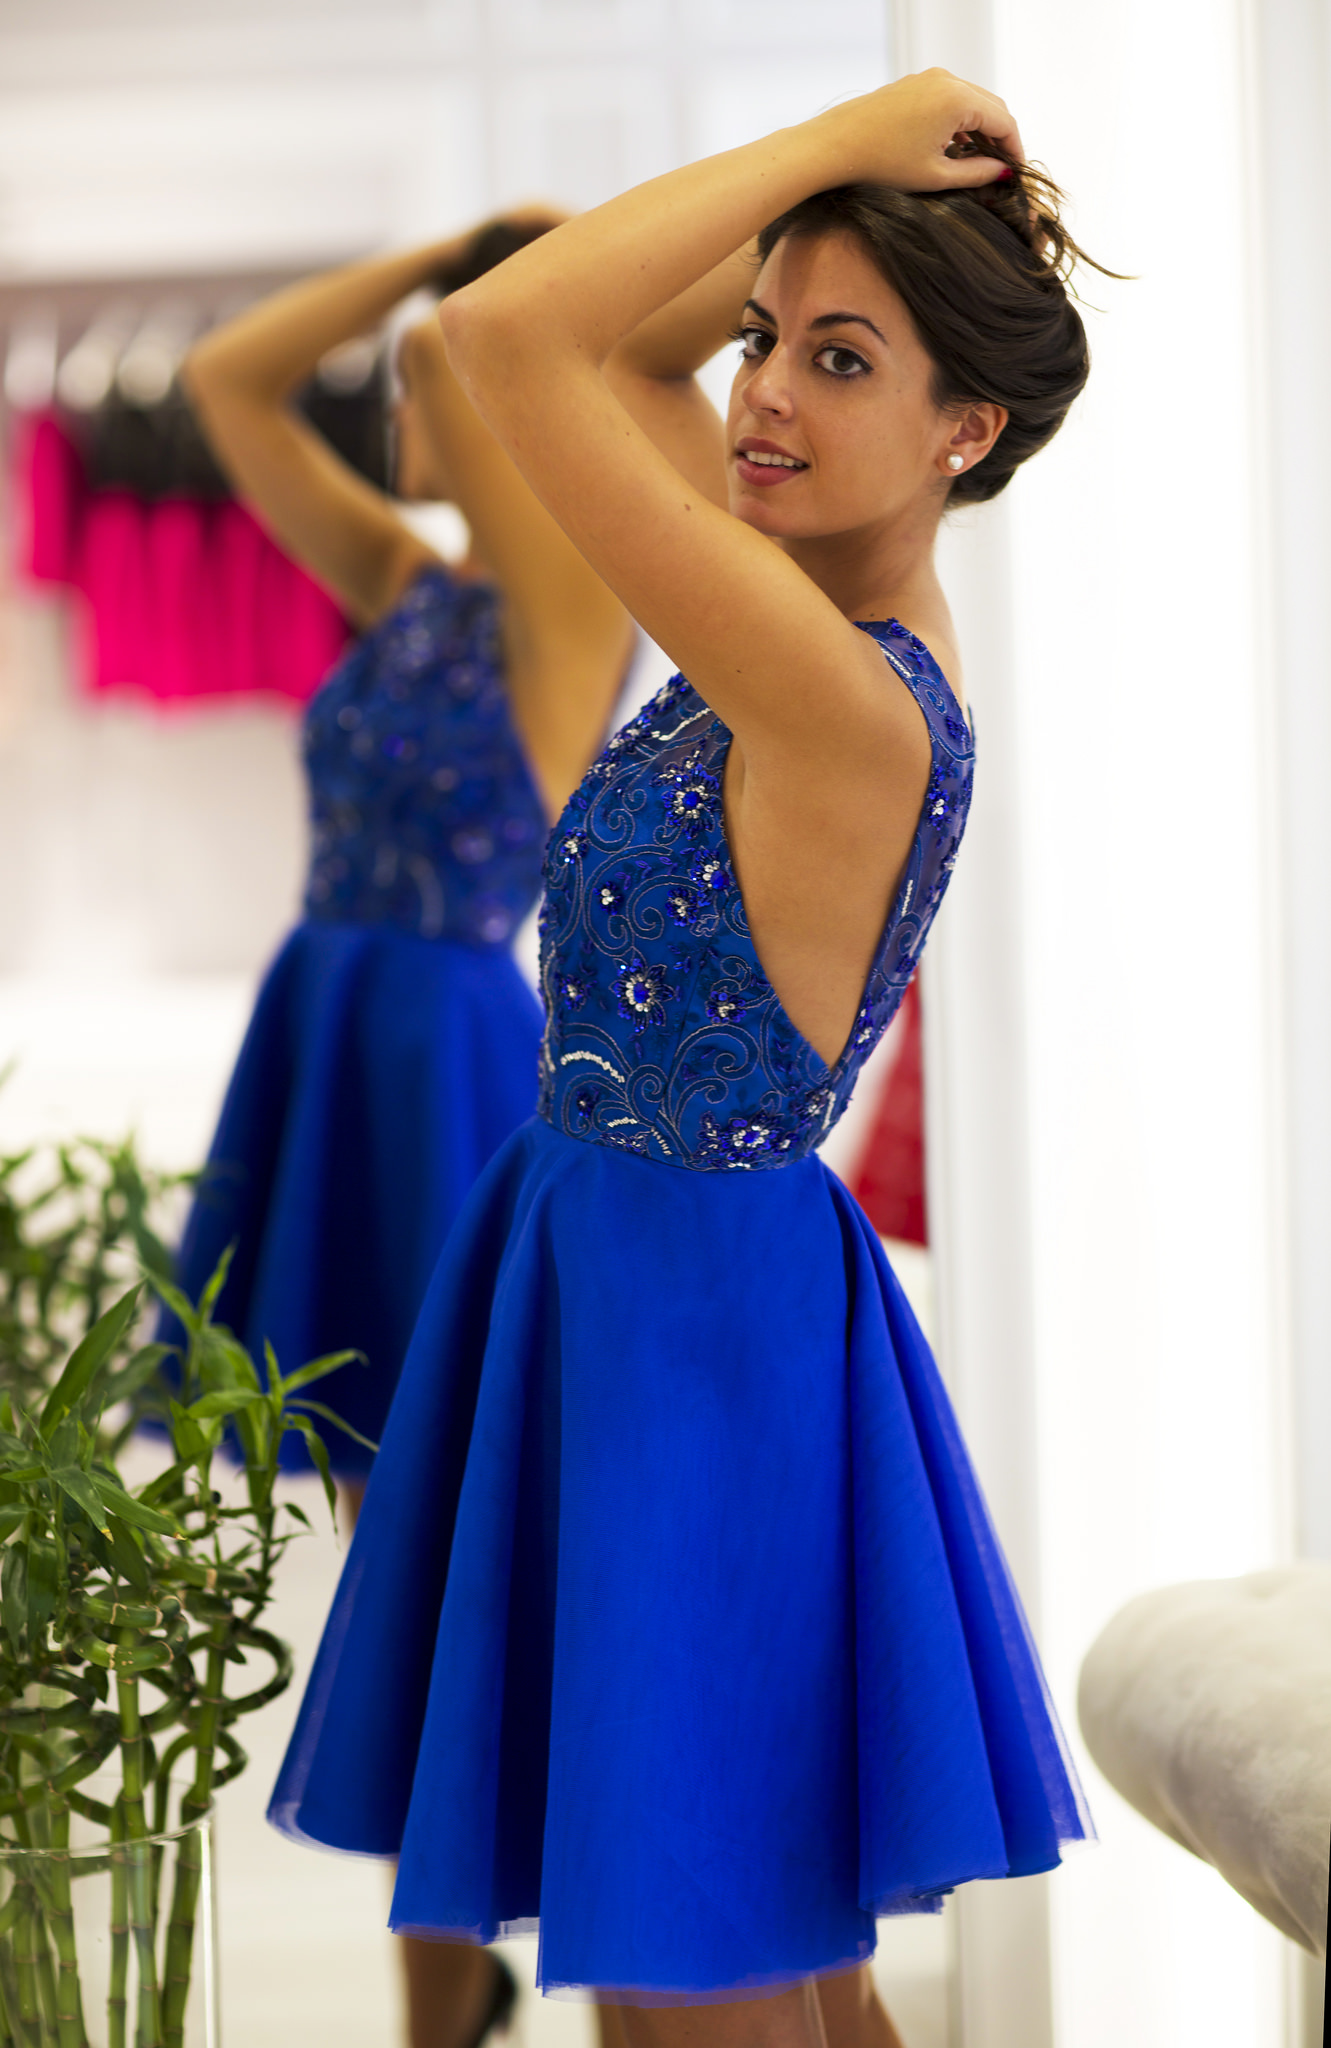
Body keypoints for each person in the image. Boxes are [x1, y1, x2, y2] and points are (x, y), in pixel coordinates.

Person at [270, 72, 1101, 2048]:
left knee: (690, 1990)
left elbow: (509, 334)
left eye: (840, 359)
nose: (761, 397)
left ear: (963, 427)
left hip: (681, 1349)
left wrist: (845, 139)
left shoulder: (829, 686)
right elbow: (622, 337)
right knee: (769, 1966)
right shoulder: (802, 617)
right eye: (766, 342)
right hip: (647, 1293)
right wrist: (830, 229)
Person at [170, 216, 633, 2048]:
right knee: (399, 1585)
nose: (402, 399)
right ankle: (442, 2007)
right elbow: (227, 384)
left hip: (439, 1065)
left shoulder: (572, 601)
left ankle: (500, 1989)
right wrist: (431, 255)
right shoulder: (411, 583)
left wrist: (483, 312)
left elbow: (497, 364)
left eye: (439, 369)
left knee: (464, 1585)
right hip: (334, 1040)